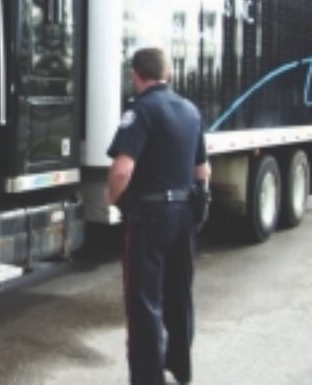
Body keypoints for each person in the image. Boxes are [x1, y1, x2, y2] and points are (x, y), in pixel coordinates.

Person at [105, 47, 210, 385]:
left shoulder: (143, 110)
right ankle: (180, 366)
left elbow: (122, 170)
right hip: (185, 214)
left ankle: (148, 379)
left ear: (136, 75)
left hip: (150, 216)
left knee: (144, 302)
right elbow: (202, 169)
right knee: (180, 294)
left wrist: (112, 198)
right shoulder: (190, 110)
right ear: (168, 74)